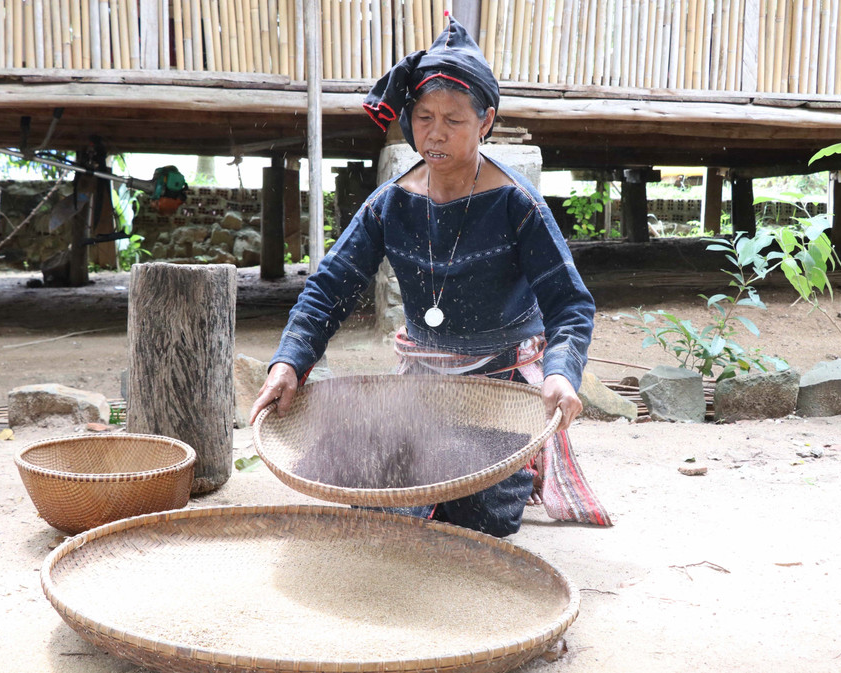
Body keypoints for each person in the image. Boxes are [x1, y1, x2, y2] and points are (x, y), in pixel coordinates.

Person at [250, 14, 610, 536]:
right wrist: (289, 361)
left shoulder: (517, 204)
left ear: (485, 122)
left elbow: (569, 305)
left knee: (478, 515)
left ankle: (521, 467)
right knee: (374, 492)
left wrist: (559, 372)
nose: (435, 134)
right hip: (421, 386)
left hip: (501, 386)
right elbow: (330, 288)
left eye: (454, 121)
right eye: (423, 117)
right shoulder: (390, 203)